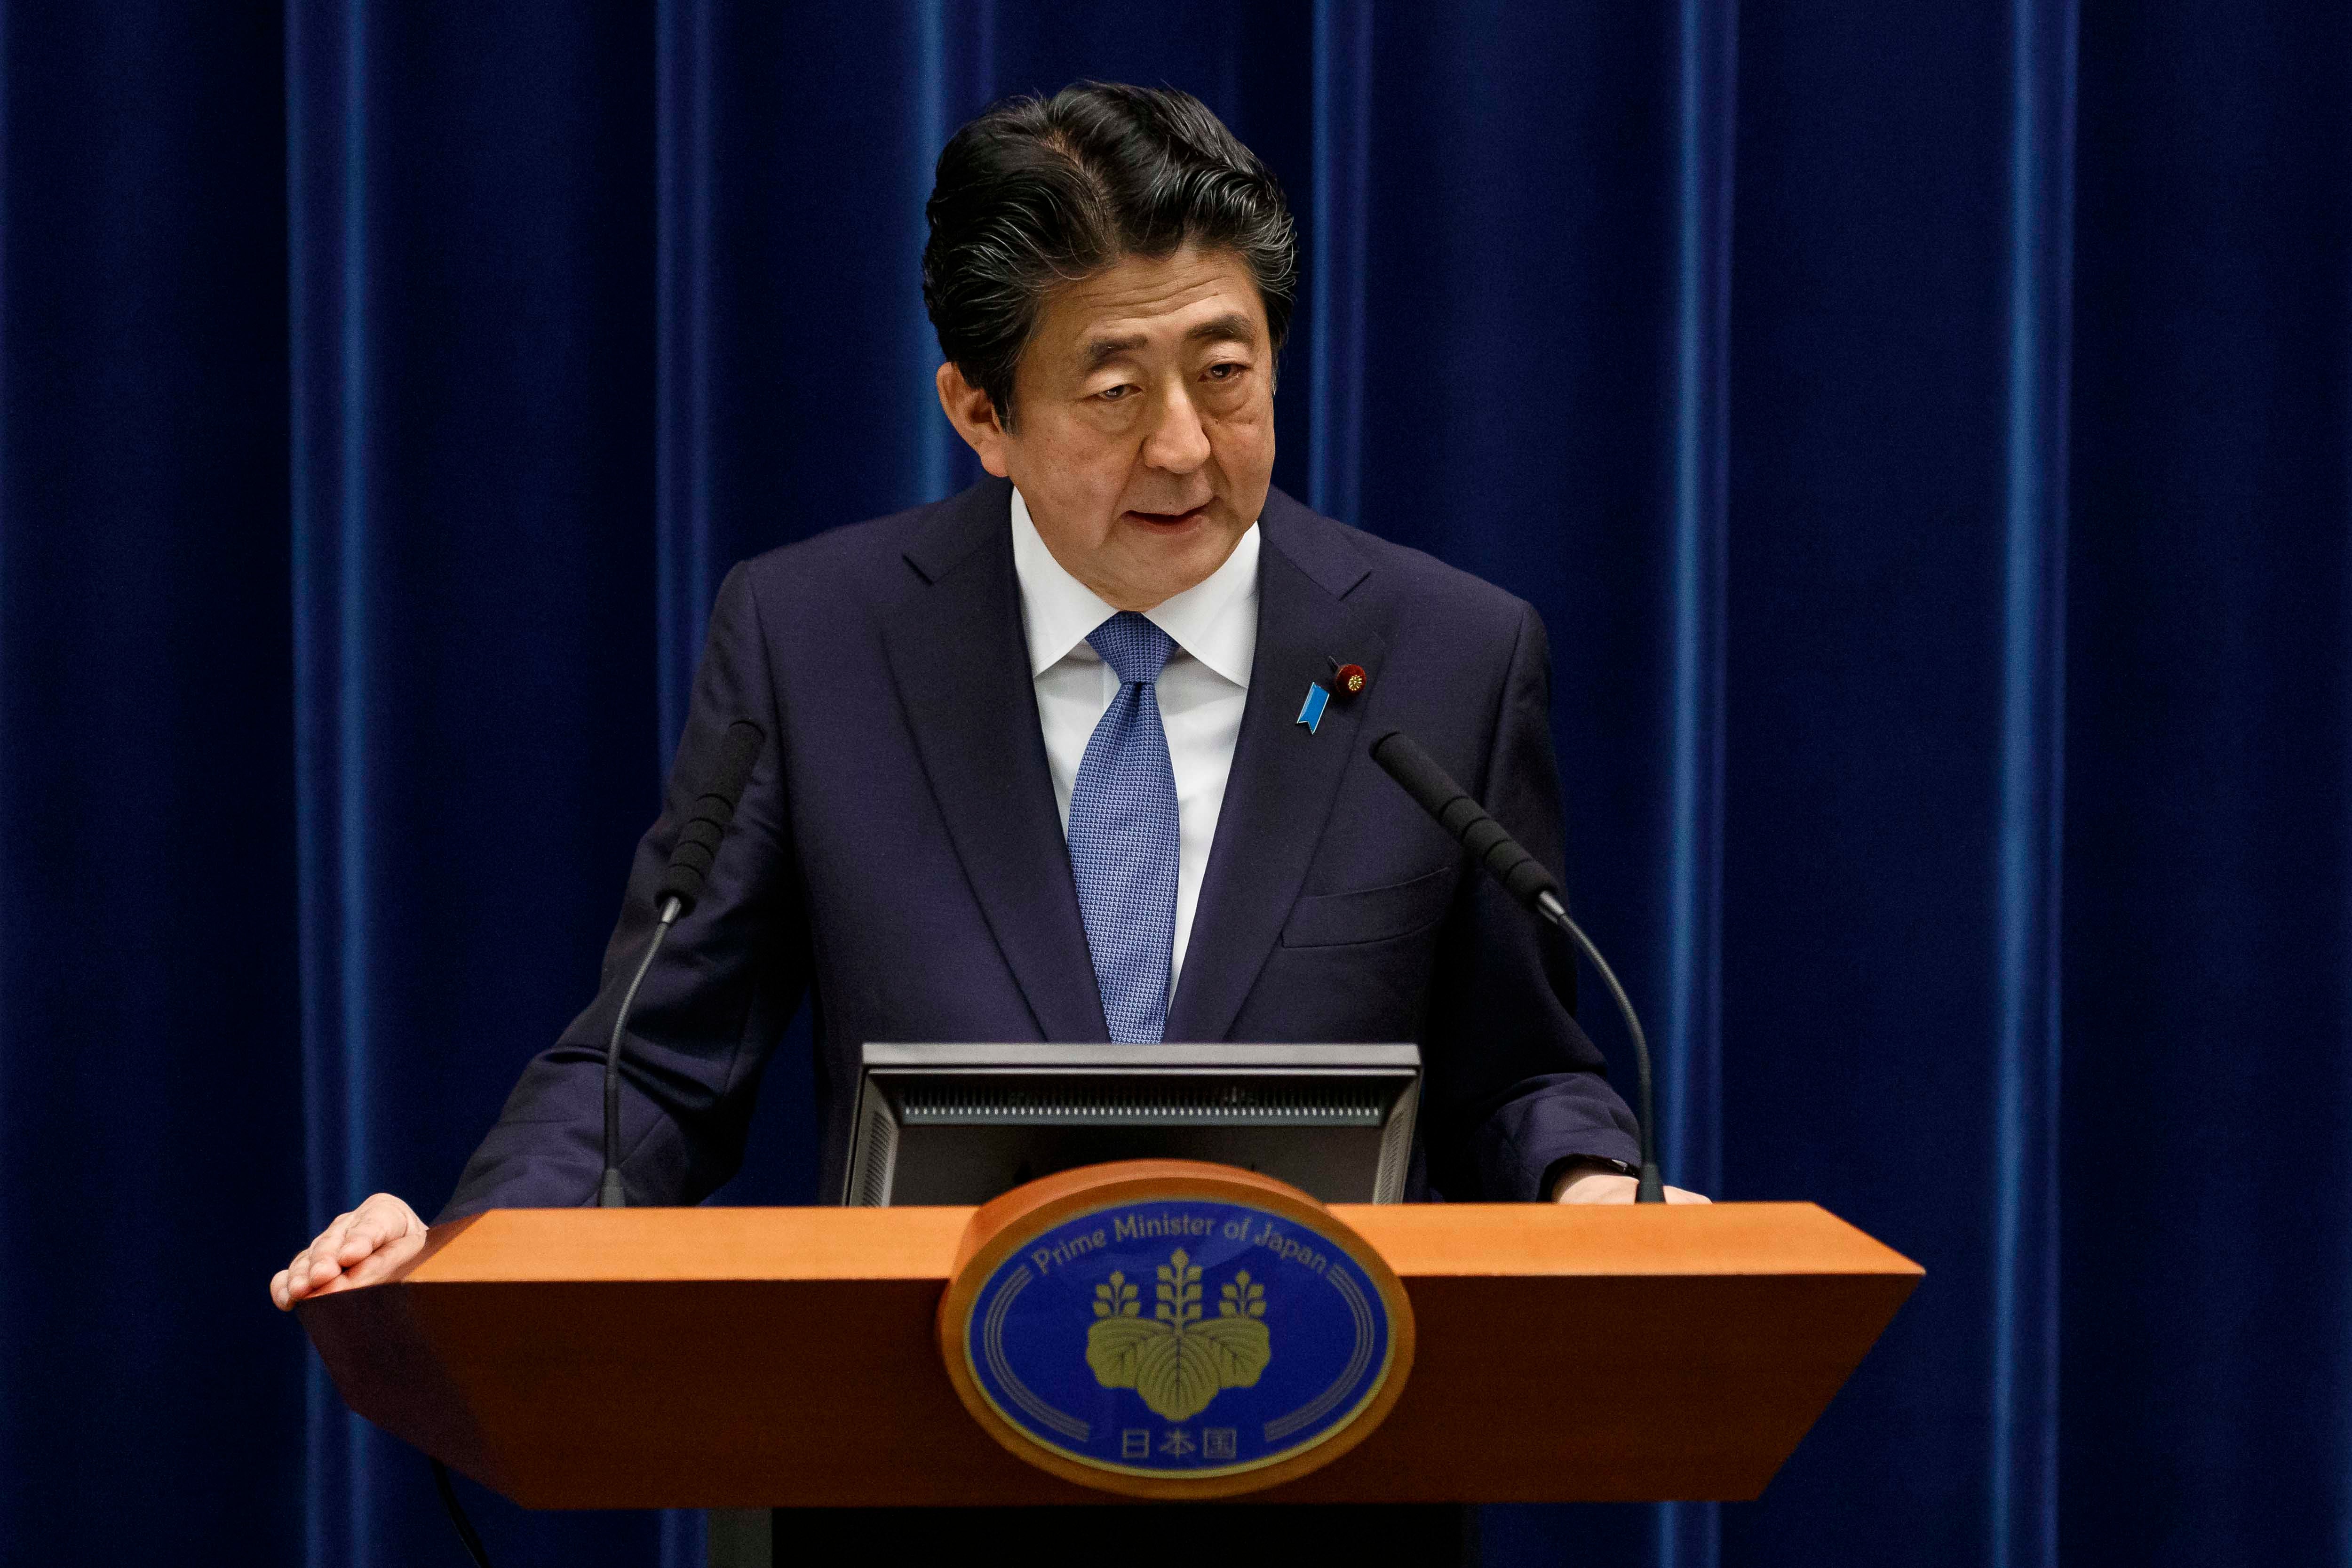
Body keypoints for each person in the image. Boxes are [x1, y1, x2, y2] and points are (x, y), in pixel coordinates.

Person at [272, 81, 1703, 1562]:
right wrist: (477, 1250)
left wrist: (1592, 1185)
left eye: (1227, 372)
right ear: (979, 409)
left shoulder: (1446, 655)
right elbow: (659, 1061)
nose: (1185, 450)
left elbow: (1520, 1071)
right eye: (1111, 390)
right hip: (905, 1494)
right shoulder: (815, 641)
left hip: (1318, 1491)